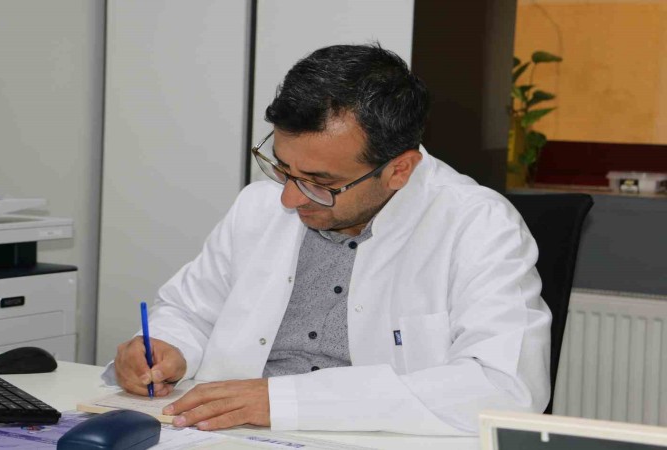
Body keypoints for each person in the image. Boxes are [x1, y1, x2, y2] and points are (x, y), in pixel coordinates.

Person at [103, 43, 551, 435]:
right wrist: (165, 347)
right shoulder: (259, 205)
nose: (290, 198)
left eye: (320, 182)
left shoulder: (477, 224)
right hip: (227, 437)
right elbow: (189, 311)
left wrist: (285, 401)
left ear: (399, 170)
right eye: (282, 168)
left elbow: (506, 388)